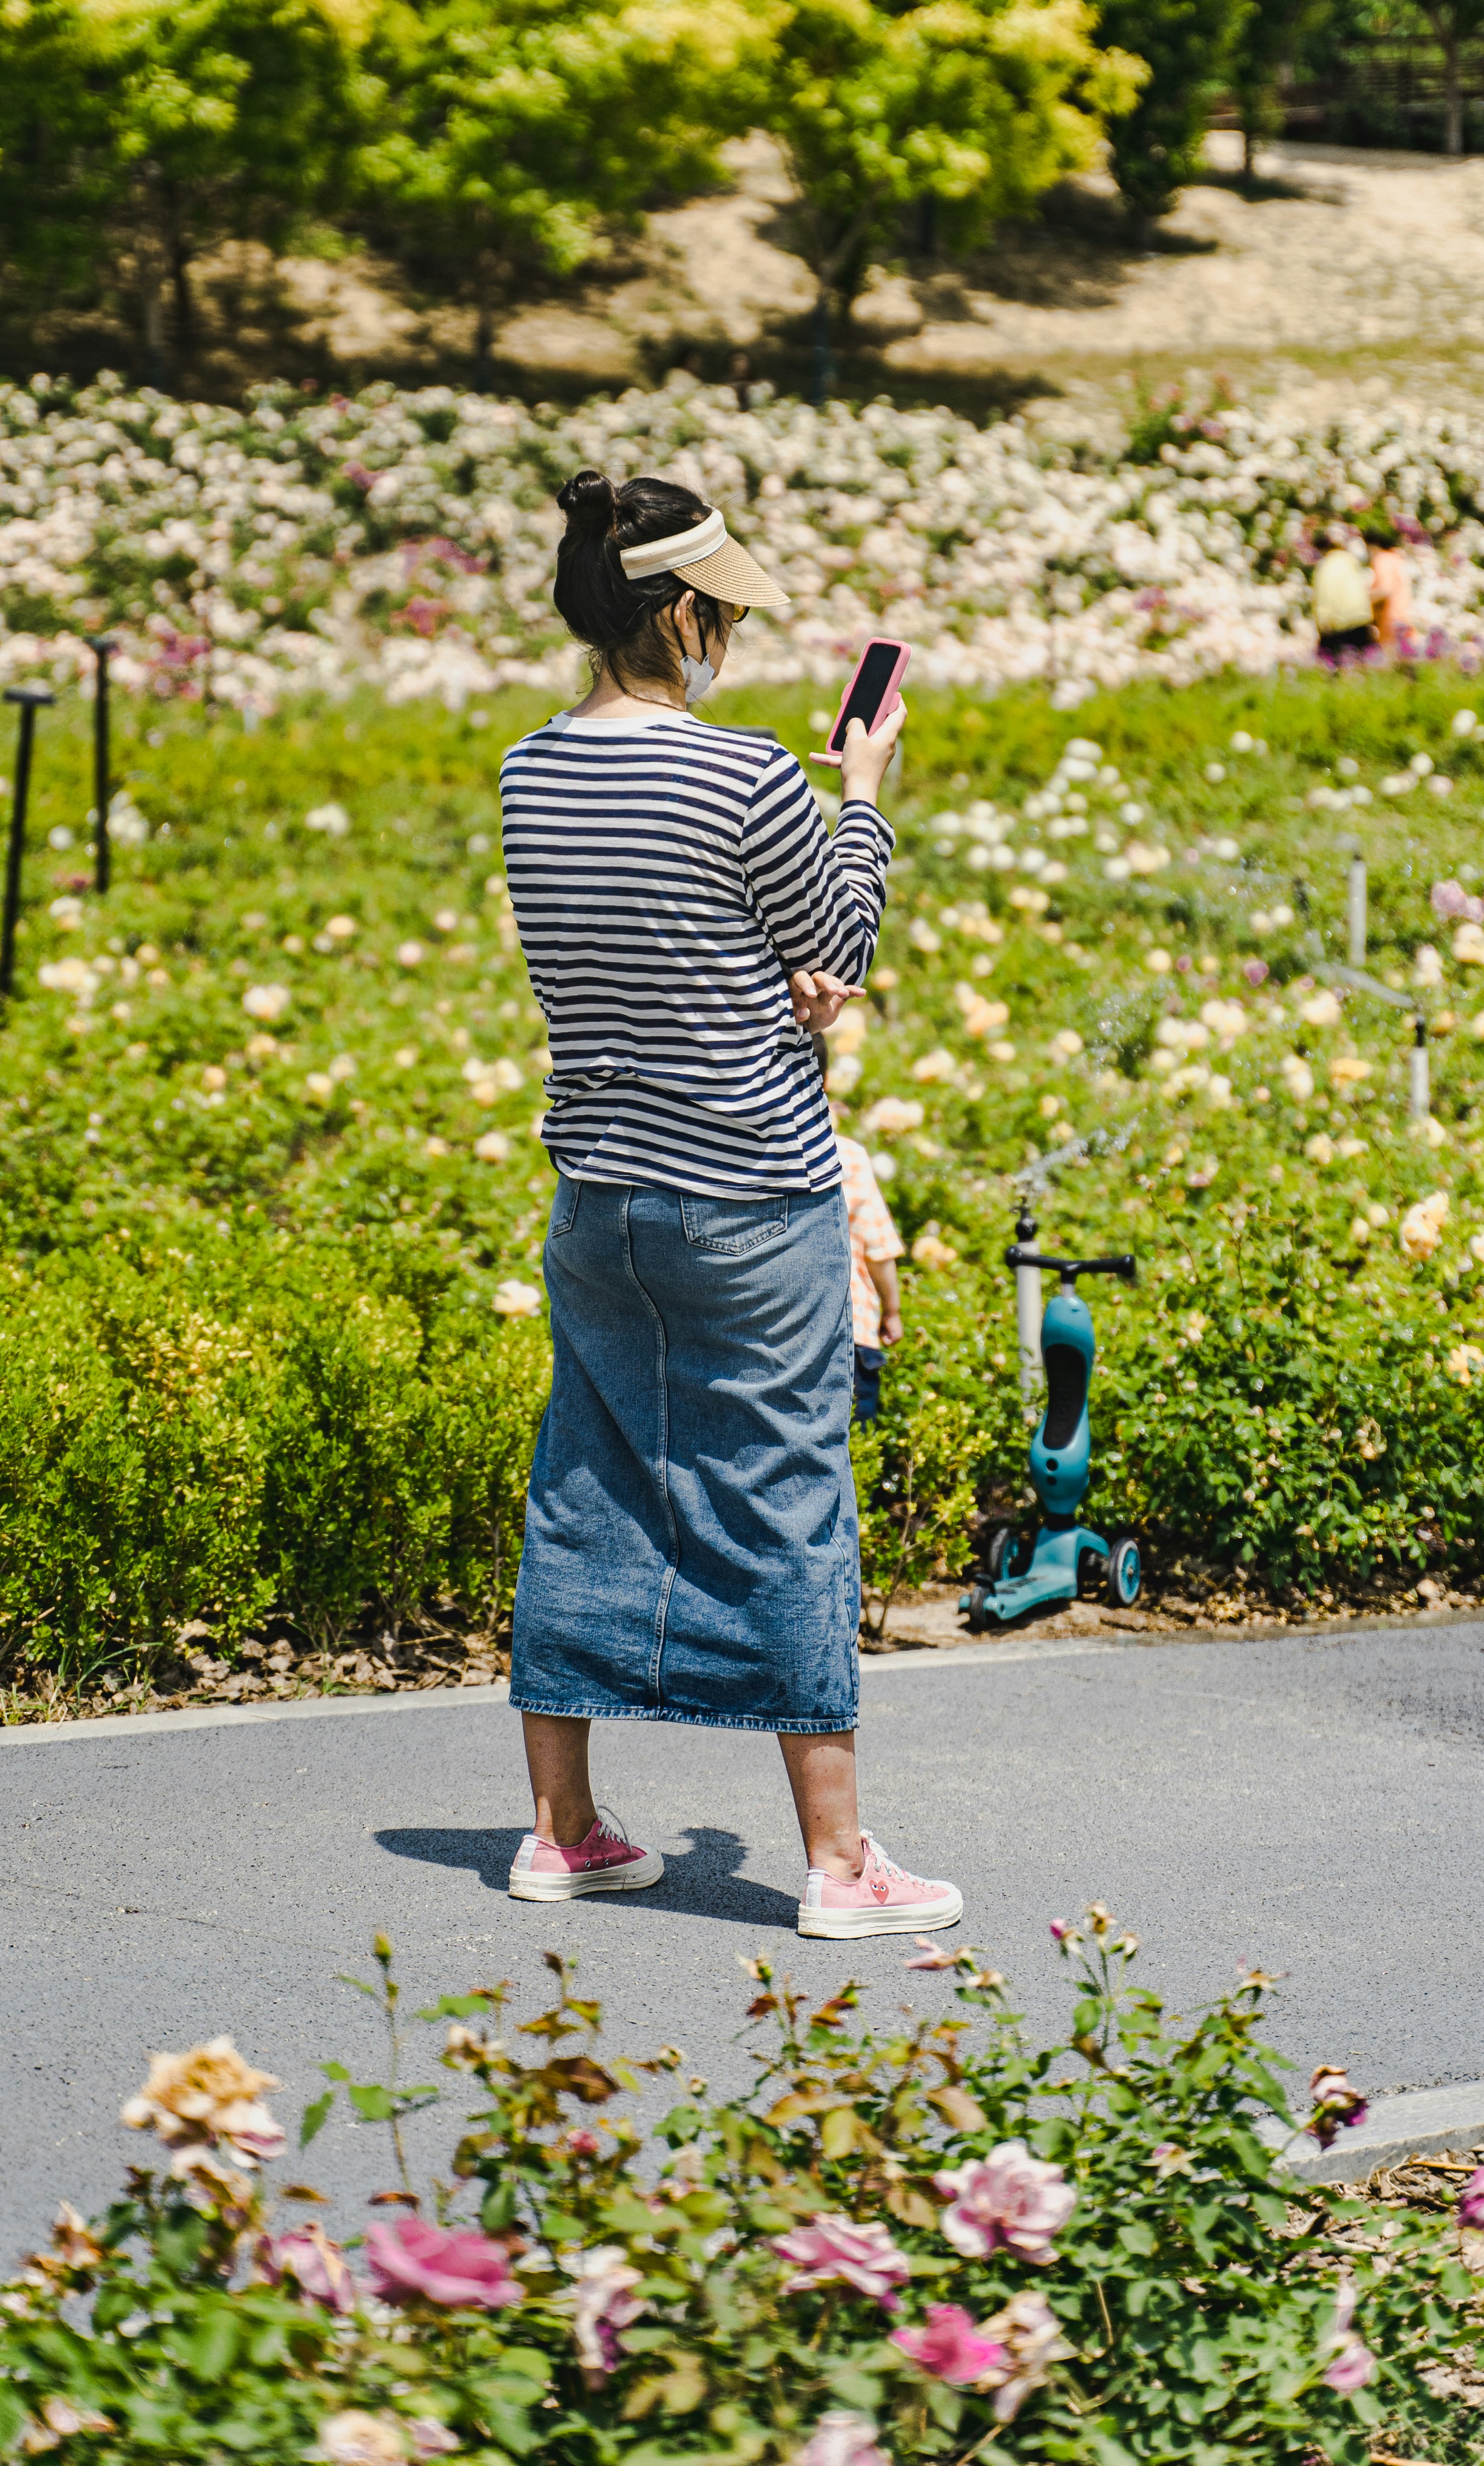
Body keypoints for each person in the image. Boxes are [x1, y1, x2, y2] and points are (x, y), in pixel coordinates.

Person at [497, 468, 963, 1942]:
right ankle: (838, 1867)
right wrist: (864, 790)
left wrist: (780, 992)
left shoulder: (527, 770)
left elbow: (646, 956)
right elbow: (840, 935)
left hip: (601, 1192)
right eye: (728, 617)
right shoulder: (748, 773)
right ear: (682, 613)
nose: (734, 643)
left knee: (590, 1473)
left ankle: (564, 1832)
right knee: (787, 1497)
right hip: (752, 1193)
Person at [818, 1034, 904, 1420]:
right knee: (852, 1451)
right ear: (824, 1081)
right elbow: (879, 1249)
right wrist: (893, 1311)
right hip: (853, 1330)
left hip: (779, 1337)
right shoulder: (848, 1157)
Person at [1311, 529, 1376, 662]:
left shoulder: (1327, 565)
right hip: (1361, 617)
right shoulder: (1350, 562)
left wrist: (1323, 620)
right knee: (1362, 662)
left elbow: (1326, 593)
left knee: (1338, 663)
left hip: (1341, 620)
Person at [1366, 524, 1415, 656]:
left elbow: (1385, 590)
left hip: (1390, 620)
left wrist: (1361, 601)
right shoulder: (1396, 558)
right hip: (1402, 617)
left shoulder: (1382, 559)